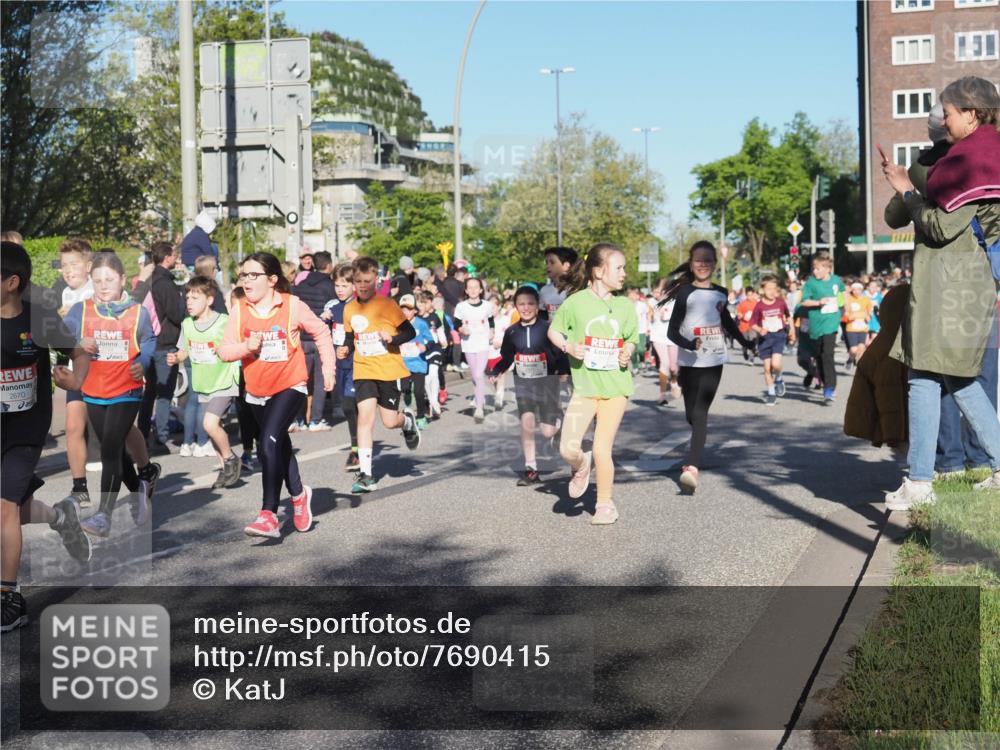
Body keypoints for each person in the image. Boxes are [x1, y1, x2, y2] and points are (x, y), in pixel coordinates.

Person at [881, 76, 1000, 508]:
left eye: (947, 113)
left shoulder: (972, 163)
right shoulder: (980, 155)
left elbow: (938, 226)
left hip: (951, 284)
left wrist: (908, 191)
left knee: (924, 376)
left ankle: (920, 481)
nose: (943, 121)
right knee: (958, 377)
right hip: (963, 282)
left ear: (971, 113)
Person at [2, 242, 93, 632]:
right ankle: (61, 516)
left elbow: (79, 351)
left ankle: (9, 597)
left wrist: (77, 379)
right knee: (12, 512)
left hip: (25, 429)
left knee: (4, 509)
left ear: (11, 282)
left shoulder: (39, 318)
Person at [219, 252, 335, 538]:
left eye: (253, 275)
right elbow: (224, 351)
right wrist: (247, 346)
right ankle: (298, 495)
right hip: (257, 390)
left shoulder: (292, 305)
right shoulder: (240, 310)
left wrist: (328, 369)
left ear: (271, 280)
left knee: (268, 444)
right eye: (243, 275)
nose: (246, 281)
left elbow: (320, 331)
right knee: (279, 444)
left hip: (290, 383)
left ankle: (268, 514)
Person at [62, 252, 160, 538]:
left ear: (122, 280)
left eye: (109, 280)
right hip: (93, 390)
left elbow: (150, 340)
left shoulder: (137, 311)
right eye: (97, 281)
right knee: (114, 449)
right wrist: (78, 344)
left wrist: (143, 363)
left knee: (110, 448)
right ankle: (142, 483)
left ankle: (104, 515)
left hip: (127, 389)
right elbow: (60, 341)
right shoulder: (80, 311)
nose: (103, 286)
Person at [547, 243, 639, 525]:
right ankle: (581, 465)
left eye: (624, 268)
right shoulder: (575, 303)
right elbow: (554, 330)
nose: (624, 273)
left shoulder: (624, 305)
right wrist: (568, 347)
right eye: (619, 268)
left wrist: (628, 351)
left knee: (602, 449)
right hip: (585, 389)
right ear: (599, 271)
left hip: (616, 389)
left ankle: (605, 504)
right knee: (567, 449)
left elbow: (632, 338)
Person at [667, 241, 753, 493]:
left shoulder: (721, 292)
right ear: (691, 264)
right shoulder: (684, 292)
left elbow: (726, 320)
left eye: (707, 260)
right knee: (691, 415)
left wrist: (744, 342)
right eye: (698, 260)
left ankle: (692, 466)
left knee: (701, 411)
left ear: (715, 263)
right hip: (689, 361)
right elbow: (672, 331)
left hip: (714, 359)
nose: (703, 264)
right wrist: (689, 343)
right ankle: (697, 442)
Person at [341, 256, 421, 493]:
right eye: (358, 281)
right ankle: (366, 475)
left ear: (376, 279)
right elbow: (349, 337)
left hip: (388, 370)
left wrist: (393, 339)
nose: (362, 286)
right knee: (365, 418)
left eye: (367, 281)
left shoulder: (387, 305)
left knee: (389, 421)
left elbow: (410, 331)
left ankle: (406, 420)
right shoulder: (349, 308)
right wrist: (344, 348)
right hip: (363, 369)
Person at [167, 277, 242, 489]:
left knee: (209, 423)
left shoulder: (224, 322)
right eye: (187, 297)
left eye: (194, 297)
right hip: (203, 383)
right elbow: (185, 351)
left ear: (209, 300)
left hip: (224, 380)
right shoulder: (187, 324)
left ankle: (230, 459)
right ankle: (225, 468)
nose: (188, 301)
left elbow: (237, 346)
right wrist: (176, 358)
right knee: (211, 428)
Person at [488, 286, 565, 485]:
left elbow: (559, 354)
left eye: (530, 303)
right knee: (527, 424)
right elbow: (506, 357)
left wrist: (563, 371)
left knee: (547, 431)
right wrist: (497, 371)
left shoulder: (548, 329)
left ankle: (559, 424)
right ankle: (531, 468)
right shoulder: (512, 332)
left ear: (537, 305)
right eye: (521, 304)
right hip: (524, 384)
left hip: (547, 383)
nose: (526, 308)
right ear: (515, 307)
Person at [53, 239, 95, 507]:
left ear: (88, 266)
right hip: (76, 371)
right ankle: (80, 488)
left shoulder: (100, 290)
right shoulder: (65, 295)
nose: (68, 270)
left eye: (74, 264)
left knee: (119, 432)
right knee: (73, 426)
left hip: (102, 370)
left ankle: (144, 467)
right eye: (64, 265)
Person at [135, 241, 185, 455]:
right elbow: (176, 314)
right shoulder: (166, 283)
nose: (177, 258)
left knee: (149, 393)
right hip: (164, 343)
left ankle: (143, 434)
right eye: (175, 254)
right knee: (164, 393)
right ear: (167, 257)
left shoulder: (149, 280)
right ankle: (161, 438)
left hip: (147, 342)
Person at [292, 250, 337, 432]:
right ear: (329, 265)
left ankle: (298, 418)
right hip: (320, 338)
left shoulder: (300, 286)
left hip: (301, 338)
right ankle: (316, 420)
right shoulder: (330, 287)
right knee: (319, 381)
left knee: (300, 380)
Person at [327, 263, 360, 471]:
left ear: (354, 286)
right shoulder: (333, 309)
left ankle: (356, 449)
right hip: (339, 365)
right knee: (348, 408)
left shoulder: (358, 308)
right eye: (337, 285)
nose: (340, 289)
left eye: (344, 285)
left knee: (349, 405)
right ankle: (359, 439)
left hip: (357, 363)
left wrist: (350, 347)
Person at [799, 254, 843, 403]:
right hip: (816, 325)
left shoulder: (836, 281)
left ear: (827, 269)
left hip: (831, 323)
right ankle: (824, 383)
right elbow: (804, 302)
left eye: (817, 269)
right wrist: (819, 302)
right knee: (818, 356)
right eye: (814, 269)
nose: (815, 272)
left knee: (827, 354)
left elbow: (842, 295)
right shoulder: (811, 283)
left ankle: (830, 388)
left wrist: (843, 309)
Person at [454, 276, 495, 423]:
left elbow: (491, 320)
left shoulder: (487, 305)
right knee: (475, 374)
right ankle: (480, 397)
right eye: (469, 287)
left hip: (483, 343)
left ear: (481, 290)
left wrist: (492, 330)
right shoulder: (461, 307)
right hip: (468, 344)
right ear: (466, 290)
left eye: (475, 287)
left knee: (478, 374)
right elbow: (455, 323)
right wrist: (461, 329)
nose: (472, 290)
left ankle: (479, 407)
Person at [749, 275, 795, 406]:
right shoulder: (759, 306)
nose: (772, 292)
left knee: (775, 364)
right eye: (769, 289)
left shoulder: (780, 302)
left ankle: (779, 379)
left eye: (774, 289)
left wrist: (791, 331)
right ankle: (771, 394)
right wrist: (759, 329)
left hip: (778, 336)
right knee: (767, 368)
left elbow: (788, 316)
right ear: (762, 290)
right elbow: (752, 323)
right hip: (765, 338)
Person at [398, 294, 435, 429]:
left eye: (408, 309)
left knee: (419, 392)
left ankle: (420, 416)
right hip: (403, 363)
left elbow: (431, 340)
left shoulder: (421, 324)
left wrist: (425, 347)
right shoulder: (398, 324)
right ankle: (407, 393)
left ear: (414, 310)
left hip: (418, 362)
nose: (405, 312)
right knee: (405, 388)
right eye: (402, 309)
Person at [649, 277, 681, 406]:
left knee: (674, 366)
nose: (657, 293)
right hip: (657, 337)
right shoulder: (650, 302)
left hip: (672, 336)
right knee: (665, 363)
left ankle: (674, 382)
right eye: (656, 291)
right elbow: (648, 316)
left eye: (660, 290)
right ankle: (662, 395)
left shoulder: (674, 302)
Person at [416, 291, 446, 420]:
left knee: (434, 373)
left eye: (424, 303)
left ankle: (434, 401)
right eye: (419, 304)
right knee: (427, 379)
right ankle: (431, 399)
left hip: (435, 348)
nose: (422, 306)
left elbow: (439, 330)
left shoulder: (434, 317)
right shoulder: (416, 320)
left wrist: (443, 339)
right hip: (422, 351)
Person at [539, 246, 578, 317]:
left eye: (552, 262)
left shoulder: (577, 289)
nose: (548, 266)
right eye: (546, 263)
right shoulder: (544, 291)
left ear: (566, 265)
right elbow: (542, 317)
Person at [844, 281, 873, 369]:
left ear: (862, 290)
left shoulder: (866, 299)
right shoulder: (848, 299)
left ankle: (859, 367)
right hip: (851, 328)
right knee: (853, 350)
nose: (856, 292)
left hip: (862, 327)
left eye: (858, 290)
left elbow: (870, 311)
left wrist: (868, 316)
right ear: (852, 290)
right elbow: (846, 312)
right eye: (854, 290)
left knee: (861, 348)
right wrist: (849, 316)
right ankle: (850, 359)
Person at [735, 289, 759, 362]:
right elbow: (738, 314)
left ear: (753, 294)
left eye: (751, 295)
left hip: (753, 326)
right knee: (745, 342)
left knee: (752, 340)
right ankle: (745, 353)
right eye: (748, 295)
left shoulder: (757, 303)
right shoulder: (742, 304)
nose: (750, 297)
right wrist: (742, 316)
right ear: (746, 295)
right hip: (744, 326)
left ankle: (751, 358)